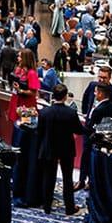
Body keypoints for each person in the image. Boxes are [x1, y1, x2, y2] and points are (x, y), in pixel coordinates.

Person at [35, 83, 85, 215]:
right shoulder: (71, 113)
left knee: (48, 178)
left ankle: (47, 206)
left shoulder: (44, 112)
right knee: (67, 179)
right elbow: (79, 131)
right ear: (64, 96)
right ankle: (69, 208)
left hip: (49, 148)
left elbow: (39, 131)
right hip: (66, 149)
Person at [7, 48, 40, 123]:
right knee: (16, 124)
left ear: (25, 59)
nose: (18, 58)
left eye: (20, 56)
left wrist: (20, 90)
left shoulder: (32, 73)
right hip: (16, 101)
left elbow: (34, 92)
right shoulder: (19, 69)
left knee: (24, 126)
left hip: (27, 105)